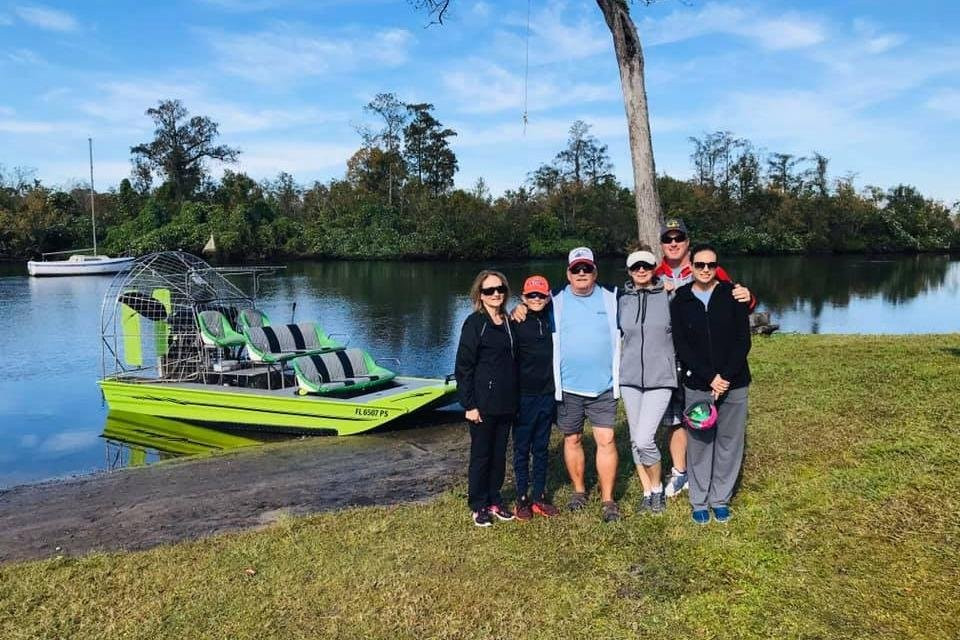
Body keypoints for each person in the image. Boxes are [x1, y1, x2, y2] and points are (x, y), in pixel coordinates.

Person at [654, 218, 754, 500]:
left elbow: (736, 300)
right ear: (662, 244)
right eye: (667, 239)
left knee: (706, 421)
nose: (673, 243)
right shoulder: (653, 274)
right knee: (676, 418)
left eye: (679, 238)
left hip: (707, 364)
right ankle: (680, 471)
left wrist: (750, 296)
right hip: (669, 358)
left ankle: (715, 486)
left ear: (687, 242)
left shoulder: (709, 266)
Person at [670, 244, 751, 525]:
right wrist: (710, 377)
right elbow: (682, 345)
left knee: (729, 442)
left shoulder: (732, 295)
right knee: (701, 442)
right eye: (700, 265)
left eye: (711, 265)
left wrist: (726, 377)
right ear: (690, 266)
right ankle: (699, 499)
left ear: (717, 267)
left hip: (734, 382)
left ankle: (720, 499)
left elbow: (743, 341)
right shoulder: (680, 299)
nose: (705, 270)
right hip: (699, 384)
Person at [551, 247, 622, 522]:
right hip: (568, 386)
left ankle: (608, 500)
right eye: (576, 269)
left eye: (587, 269)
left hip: (603, 386)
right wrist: (519, 309)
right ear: (568, 273)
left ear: (595, 272)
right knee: (573, 438)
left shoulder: (613, 297)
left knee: (606, 439)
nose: (582, 273)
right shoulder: (553, 299)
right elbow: (526, 309)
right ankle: (579, 492)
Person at [454, 270, 518, 527]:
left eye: (499, 289)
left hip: (506, 402)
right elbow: (464, 367)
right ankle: (478, 504)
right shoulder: (474, 323)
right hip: (481, 404)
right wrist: (468, 404)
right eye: (489, 290)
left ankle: (494, 499)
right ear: (480, 295)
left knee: (500, 454)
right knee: (481, 455)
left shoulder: (510, 322)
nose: (496, 294)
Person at [617, 249, 677, 515]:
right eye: (635, 266)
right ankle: (646, 491)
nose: (641, 270)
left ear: (655, 268)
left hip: (660, 377)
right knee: (634, 438)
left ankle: (657, 489)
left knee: (644, 439)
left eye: (646, 265)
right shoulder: (621, 299)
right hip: (629, 378)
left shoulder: (670, 295)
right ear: (629, 271)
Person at [511, 275, 560, 520]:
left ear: (548, 296)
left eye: (541, 295)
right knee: (522, 449)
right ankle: (522, 498)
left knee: (541, 448)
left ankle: (539, 496)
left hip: (547, 395)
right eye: (531, 295)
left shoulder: (553, 317)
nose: (536, 299)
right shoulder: (516, 321)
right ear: (523, 297)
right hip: (523, 397)